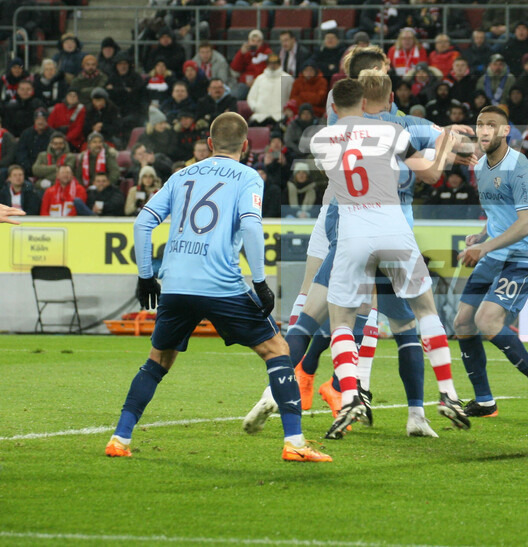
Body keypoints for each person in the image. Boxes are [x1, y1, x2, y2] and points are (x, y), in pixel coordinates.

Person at [105, 112, 331, 462]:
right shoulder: (247, 177)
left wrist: (147, 275)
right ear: (246, 146)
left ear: (209, 144)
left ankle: (119, 439)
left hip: (176, 285)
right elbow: (252, 228)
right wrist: (259, 282)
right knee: (277, 351)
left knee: (157, 362)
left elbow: (143, 221)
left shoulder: (181, 175)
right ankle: (295, 444)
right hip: (221, 285)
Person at [307, 76, 470, 438]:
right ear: (368, 102)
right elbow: (428, 170)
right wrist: (448, 147)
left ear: (334, 107)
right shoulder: (394, 132)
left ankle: (350, 397)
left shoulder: (321, 139)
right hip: (395, 228)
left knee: (343, 322)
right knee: (424, 311)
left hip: (353, 234)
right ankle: (448, 394)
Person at [455, 105, 528, 419]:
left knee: (487, 321)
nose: (484, 130)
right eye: (479, 124)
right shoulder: (480, 168)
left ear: (504, 132)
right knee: (462, 323)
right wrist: (482, 234)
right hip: (495, 254)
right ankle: (485, 401)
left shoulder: (520, 167)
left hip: (524, 256)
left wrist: (485, 247)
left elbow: (527, 223)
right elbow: (498, 215)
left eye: (491, 125)